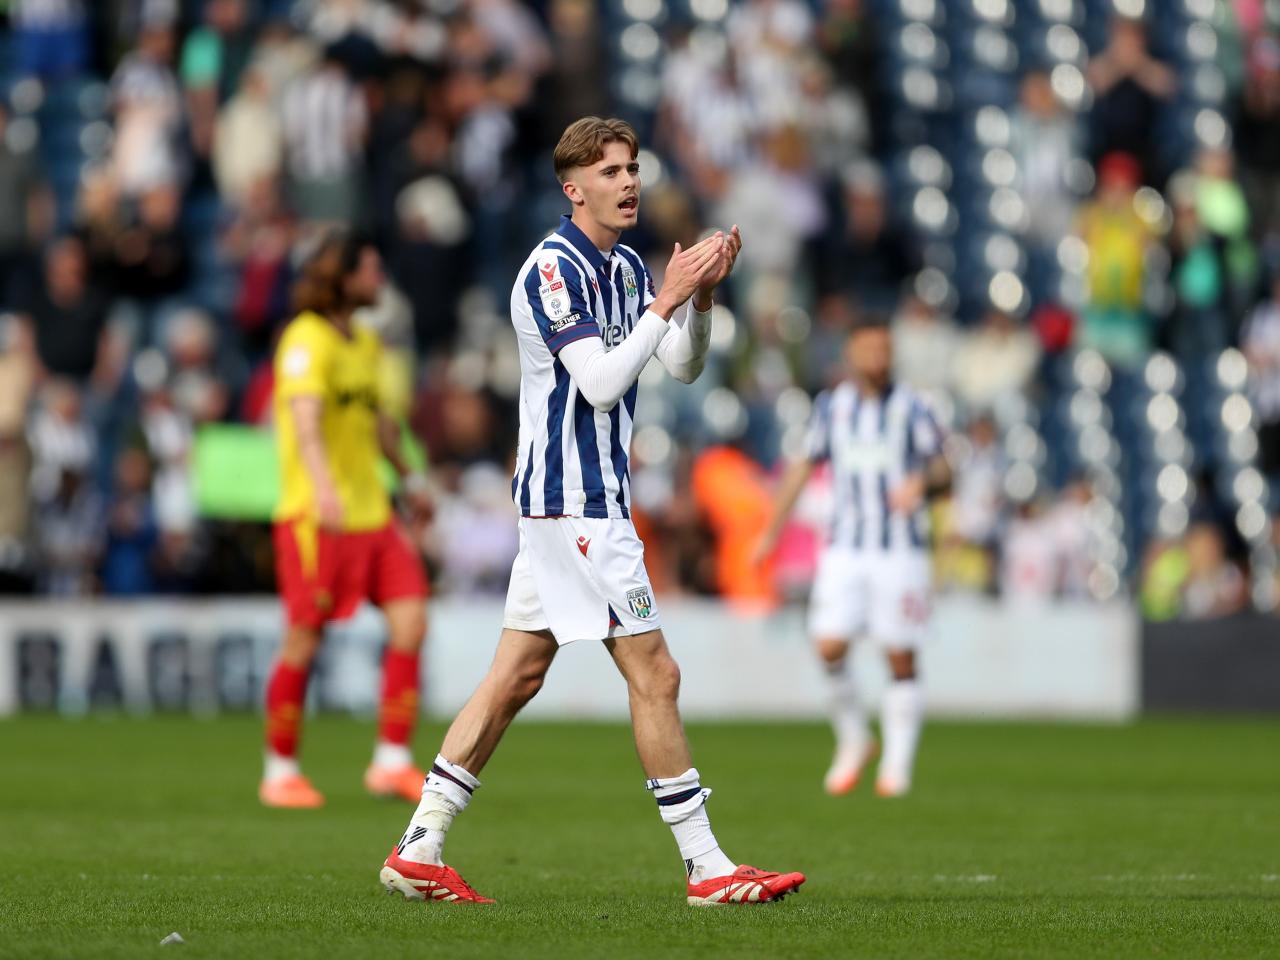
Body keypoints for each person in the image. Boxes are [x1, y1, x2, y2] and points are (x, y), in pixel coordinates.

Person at [379, 117, 805, 907]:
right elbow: (602, 383)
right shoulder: (551, 271)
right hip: (574, 503)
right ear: (573, 189)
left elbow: (681, 364)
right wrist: (669, 298)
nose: (630, 181)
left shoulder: (627, 268)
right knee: (657, 672)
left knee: (514, 677)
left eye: (634, 167)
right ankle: (707, 868)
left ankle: (420, 844)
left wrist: (699, 300)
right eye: (611, 171)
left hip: (579, 502)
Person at [260, 231, 434, 809]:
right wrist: (325, 490)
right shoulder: (306, 339)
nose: (379, 279)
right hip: (318, 516)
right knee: (303, 639)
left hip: (372, 513)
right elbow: (305, 420)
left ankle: (390, 762)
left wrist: (409, 480)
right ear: (343, 276)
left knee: (411, 621)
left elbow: (381, 425)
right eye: (371, 268)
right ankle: (280, 770)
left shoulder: (365, 342)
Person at [754, 316, 949, 798]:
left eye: (885, 349)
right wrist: (772, 530)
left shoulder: (913, 406)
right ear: (851, 355)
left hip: (899, 548)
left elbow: (945, 468)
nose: (879, 358)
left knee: (899, 653)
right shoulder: (831, 407)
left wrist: (921, 483)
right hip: (845, 547)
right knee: (828, 645)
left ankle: (897, 766)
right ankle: (856, 738)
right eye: (870, 349)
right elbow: (802, 468)